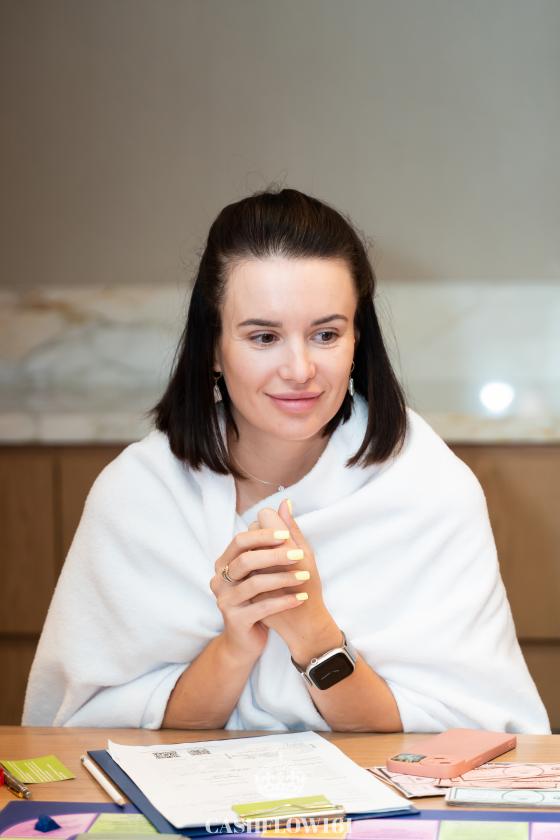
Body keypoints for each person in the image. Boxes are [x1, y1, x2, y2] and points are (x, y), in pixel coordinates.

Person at [23, 188, 549, 733]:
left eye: (325, 334)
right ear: (213, 348)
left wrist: (313, 635)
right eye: (264, 336)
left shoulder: (429, 487)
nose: (299, 370)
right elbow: (97, 725)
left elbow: (460, 729)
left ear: (357, 340)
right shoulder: (139, 492)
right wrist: (236, 646)